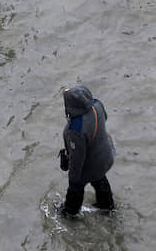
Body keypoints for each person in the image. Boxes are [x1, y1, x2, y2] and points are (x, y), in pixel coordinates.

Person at [59, 85, 116, 217]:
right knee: (100, 178)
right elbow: (105, 118)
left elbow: (77, 158)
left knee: (76, 188)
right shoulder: (97, 105)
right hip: (104, 155)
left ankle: (70, 212)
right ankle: (108, 207)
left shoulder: (76, 129)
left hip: (90, 163)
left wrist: (73, 179)